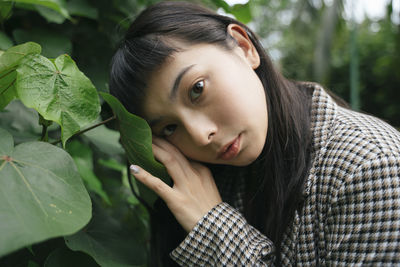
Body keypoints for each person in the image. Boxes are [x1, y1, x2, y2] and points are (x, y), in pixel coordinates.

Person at [109, 1, 400, 266]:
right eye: (169, 128)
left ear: (243, 47)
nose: (199, 136)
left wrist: (215, 229)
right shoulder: (199, 184)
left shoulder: (368, 168)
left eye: (197, 89)